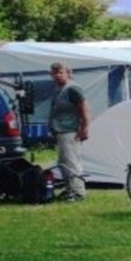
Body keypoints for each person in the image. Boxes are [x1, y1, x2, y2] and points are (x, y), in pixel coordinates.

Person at [48, 62, 89, 201]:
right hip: (60, 130)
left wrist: (84, 129)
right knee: (63, 162)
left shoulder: (73, 89)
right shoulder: (58, 90)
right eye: (55, 73)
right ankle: (69, 189)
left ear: (67, 73)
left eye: (61, 72)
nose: (58, 75)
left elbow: (84, 109)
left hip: (70, 130)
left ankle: (78, 192)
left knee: (71, 162)